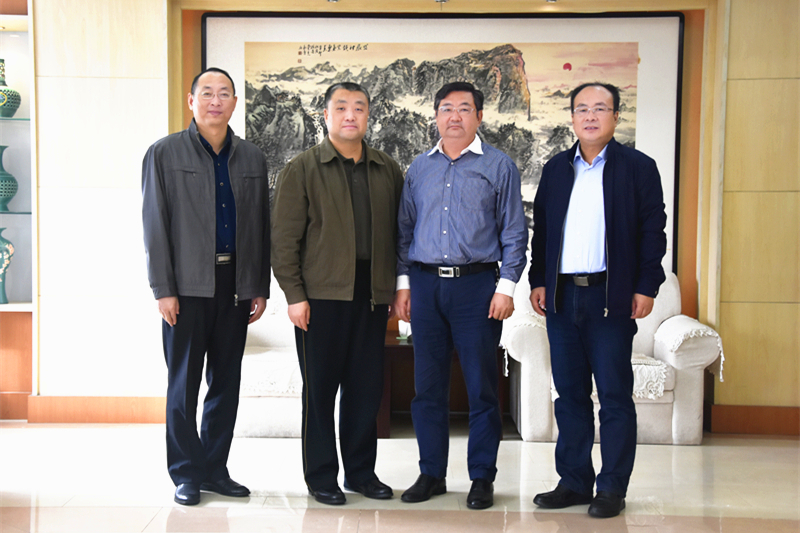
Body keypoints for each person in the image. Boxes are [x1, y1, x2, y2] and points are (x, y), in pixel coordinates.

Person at [528, 82, 667, 518]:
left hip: (611, 297)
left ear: (616, 117)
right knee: (569, 395)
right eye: (582, 109)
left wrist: (646, 286)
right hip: (562, 296)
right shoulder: (556, 169)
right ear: (572, 117)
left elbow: (653, 232)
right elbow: (542, 232)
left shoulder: (638, 168)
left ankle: (611, 487)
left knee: (613, 396)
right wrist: (538, 280)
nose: (590, 116)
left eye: (600, 108)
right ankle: (574, 481)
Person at [394, 81, 528, 510]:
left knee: (482, 387)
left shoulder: (499, 166)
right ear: (435, 116)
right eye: (447, 108)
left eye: (464, 109)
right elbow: (404, 232)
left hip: (477, 288)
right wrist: (403, 286)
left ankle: (482, 477)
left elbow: (514, 233)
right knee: (427, 388)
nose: (455, 116)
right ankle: (431, 473)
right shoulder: (419, 168)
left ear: (479, 116)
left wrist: (506, 288)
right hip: (425, 285)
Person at [271, 82, 404, 506]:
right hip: (320, 298)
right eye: (342, 107)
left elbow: (400, 235)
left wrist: (397, 289)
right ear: (326, 115)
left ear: (368, 116)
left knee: (365, 391)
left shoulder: (386, 168)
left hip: (372, 296)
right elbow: (284, 241)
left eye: (359, 108)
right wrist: (294, 295)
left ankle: (361, 473)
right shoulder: (302, 168)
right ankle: (321, 476)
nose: (351, 115)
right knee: (320, 391)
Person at [142, 68, 271, 506]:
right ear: (191, 101)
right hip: (186, 287)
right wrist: (163, 288)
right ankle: (185, 473)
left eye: (224, 94)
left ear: (234, 102)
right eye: (207, 93)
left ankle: (215, 469)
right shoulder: (163, 153)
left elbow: (260, 225)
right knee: (183, 385)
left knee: (225, 382)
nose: (216, 101)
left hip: (235, 286)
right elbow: (154, 225)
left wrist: (258, 285)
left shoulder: (252, 157)